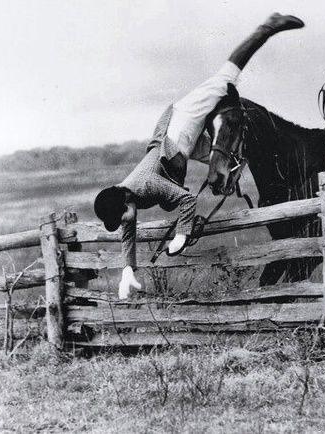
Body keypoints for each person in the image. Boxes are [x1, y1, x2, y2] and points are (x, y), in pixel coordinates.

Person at [94, 13, 305, 299]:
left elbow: (187, 200)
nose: (124, 221)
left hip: (182, 124)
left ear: (125, 201)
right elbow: (127, 236)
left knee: (226, 77)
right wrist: (127, 272)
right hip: (180, 149)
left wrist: (181, 236)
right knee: (227, 161)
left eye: (121, 217)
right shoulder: (125, 202)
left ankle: (267, 28)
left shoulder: (143, 186)